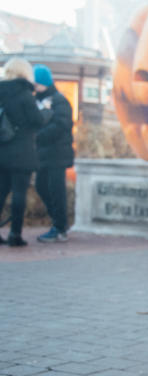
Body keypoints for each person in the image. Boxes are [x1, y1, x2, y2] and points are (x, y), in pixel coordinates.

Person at [0, 58, 47, 247]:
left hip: (2, 150)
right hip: (21, 152)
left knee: (1, 193)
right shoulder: (25, 94)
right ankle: (15, 235)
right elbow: (36, 121)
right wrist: (46, 112)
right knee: (19, 193)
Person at [32, 64, 74, 243]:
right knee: (41, 186)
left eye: (36, 83)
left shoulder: (59, 100)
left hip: (57, 153)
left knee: (57, 190)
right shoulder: (36, 100)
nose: (33, 86)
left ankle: (59, 227)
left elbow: (62, 125)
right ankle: (57, 221)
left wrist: (38, 136)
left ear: (43, 82)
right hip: (43, 154)